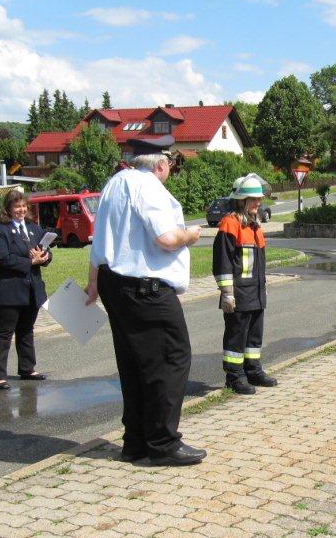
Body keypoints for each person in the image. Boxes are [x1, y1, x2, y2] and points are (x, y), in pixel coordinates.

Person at [85, 148, 205, 467]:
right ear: (162, 164)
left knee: (134, 363)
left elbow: (100, 240)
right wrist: (190, 235)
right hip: (145, 287)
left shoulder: (114, 183)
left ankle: (135, 442)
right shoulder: (148, 185)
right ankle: (163, 443)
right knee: (171, 358)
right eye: (171, 165)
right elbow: (165, 238)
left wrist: (93, 282)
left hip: (113, 282)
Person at [214, 174, 278, 394]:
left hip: (256, 292)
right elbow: (222, 262)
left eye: (259, 199)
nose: (257, 202)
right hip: (239, 293)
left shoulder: (254, 225)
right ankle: (234, 376)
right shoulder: (230, 224)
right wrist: (227, 293)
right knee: (236, 336)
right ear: (241, 200)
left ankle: (253, 370)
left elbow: (259, 263)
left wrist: (263, 287)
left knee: (254, 335)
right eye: (253, 199)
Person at [0, 189, 51, 390]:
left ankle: (27, 368)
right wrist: (30, 261)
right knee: (4, 333)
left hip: (31, 289)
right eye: (17, 207)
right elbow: (2, 258)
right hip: (8, 290)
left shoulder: (34, 228)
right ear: (8, 209)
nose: (21, 210)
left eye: (24, 206)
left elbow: (46, 253)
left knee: (26, 330)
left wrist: (44, 257)